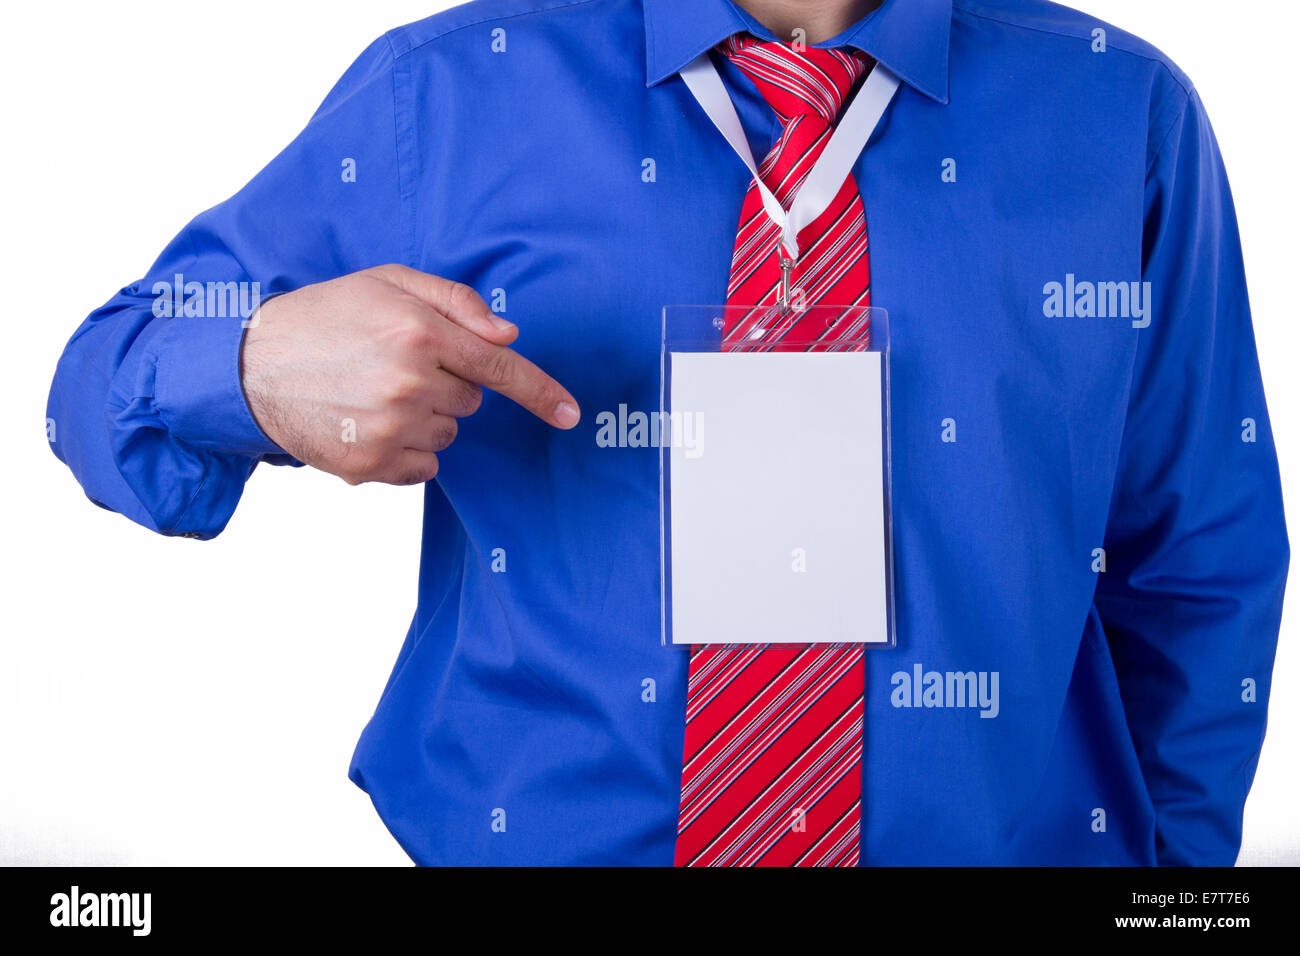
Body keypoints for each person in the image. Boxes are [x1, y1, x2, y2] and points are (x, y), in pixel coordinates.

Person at [47, 0, 1288, 866]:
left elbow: (1197, 557)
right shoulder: (449, 90)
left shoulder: (1120, 117)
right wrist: (253, 363)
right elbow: (91, 386)